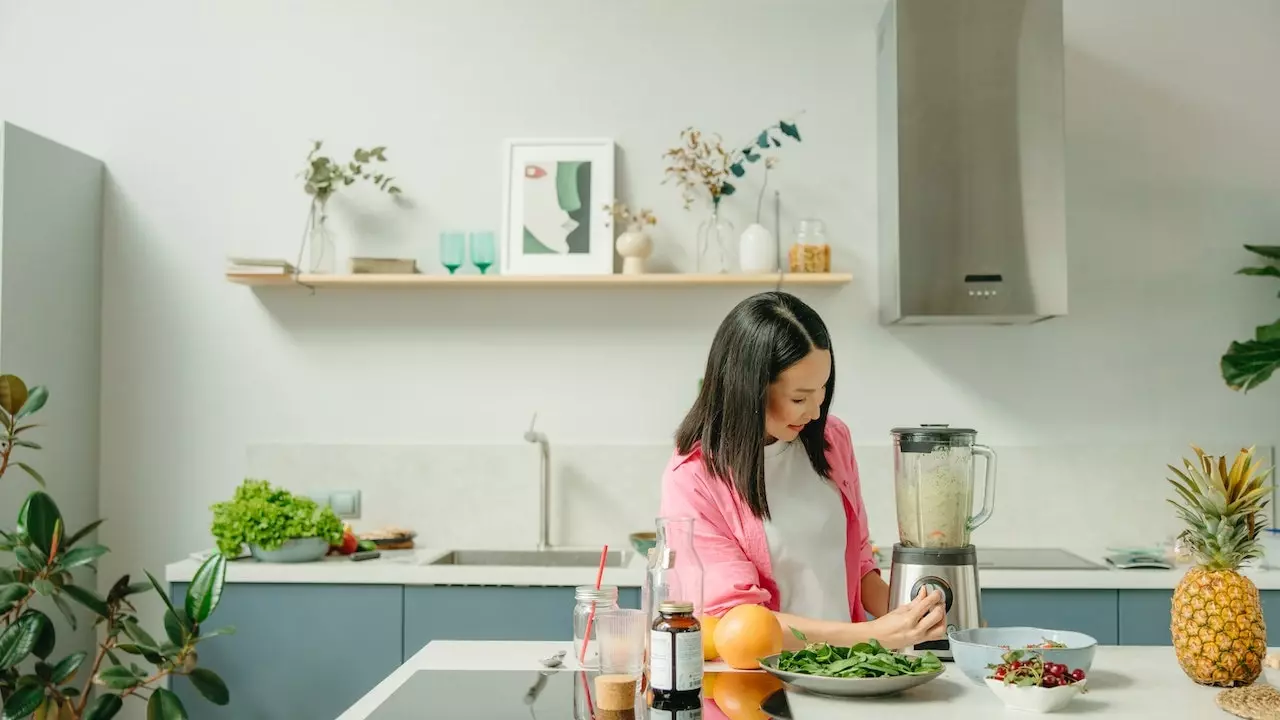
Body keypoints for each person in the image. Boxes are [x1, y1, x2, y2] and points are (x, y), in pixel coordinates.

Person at [658, 291, 947, 650]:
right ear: (749, 389)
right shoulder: (694, 478)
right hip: (766, 683)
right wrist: (874, 635)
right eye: (799, 398)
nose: (814, 411)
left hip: (851, 671)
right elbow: (740, 621)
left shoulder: (832, 440)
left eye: (822, 391)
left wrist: (917, 618)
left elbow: (858, 564)